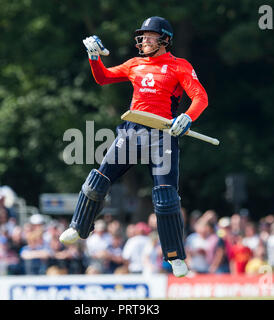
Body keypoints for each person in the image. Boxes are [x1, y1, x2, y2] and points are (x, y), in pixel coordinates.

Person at [59, 16, 209, 278]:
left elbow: (200, 96)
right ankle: (79, 227)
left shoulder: (178, 65)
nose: (144, 40)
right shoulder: (134, 64)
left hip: (162, 135)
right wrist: (94, 57)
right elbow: (103, 78)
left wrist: (187, 117)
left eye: (150, 36)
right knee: (99, 179)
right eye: (143, 36)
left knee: (166, 197)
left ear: (165, 39)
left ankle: (174, 256)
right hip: (132, 132)